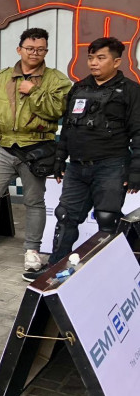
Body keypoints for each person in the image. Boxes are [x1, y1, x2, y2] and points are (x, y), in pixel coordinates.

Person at [24, 37, 140, 281]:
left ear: (117, 61)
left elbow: (138, 134)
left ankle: (107, 272)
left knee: (108, 218)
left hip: (111, 166)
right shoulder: (79, 87)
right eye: (90, 58)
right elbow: (67, 128)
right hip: (76, 167)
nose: (94, 63)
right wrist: (59, 159)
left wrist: (136, 171)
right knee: (66, 217)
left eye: (101, 58)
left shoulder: (130, 91)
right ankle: (56, 267)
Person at [0, 28, 72, 270]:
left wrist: (34, 91)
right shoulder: (0, 78)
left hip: (37, 148)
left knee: (34, 202)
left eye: (40, 49)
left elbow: (58, 111)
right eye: (30, 48)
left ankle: (32, 251)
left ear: (46, 51)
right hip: (3, 145)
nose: (35, 53)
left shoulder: (57, 80)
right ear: (19, 50)